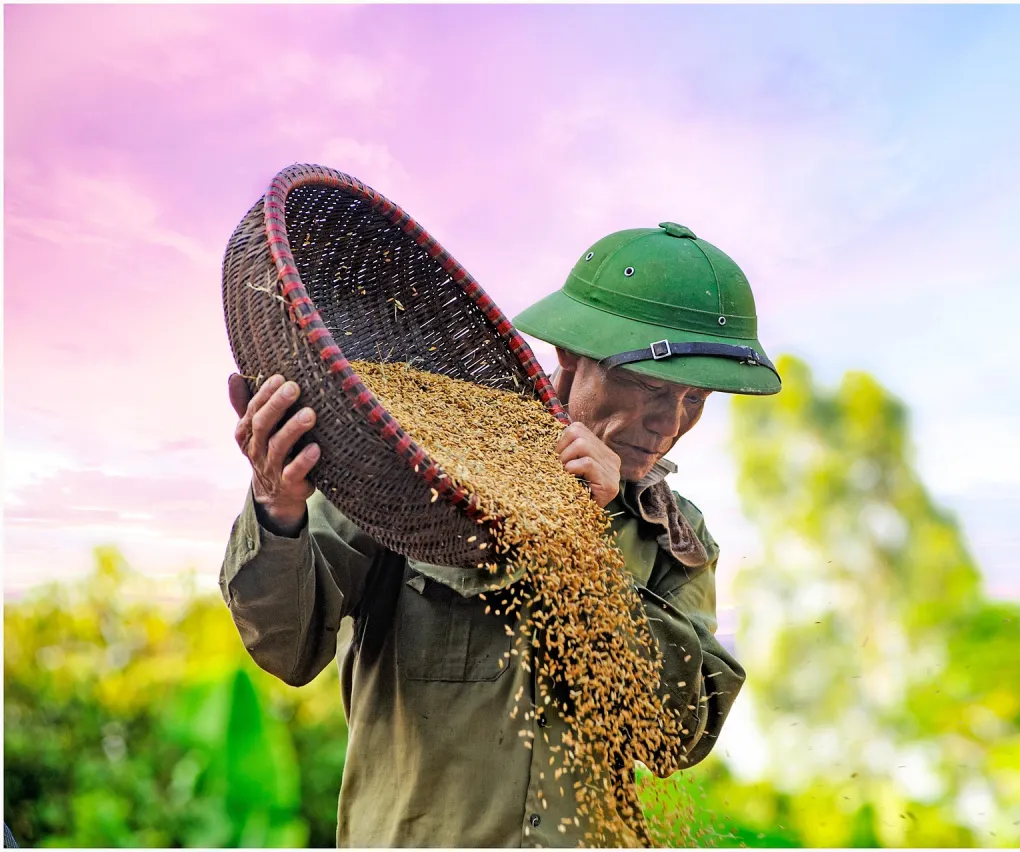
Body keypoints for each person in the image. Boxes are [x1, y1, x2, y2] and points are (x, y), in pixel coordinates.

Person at [220, 221, 780, 847]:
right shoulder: (416, 467)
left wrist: (581, 539)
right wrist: (278, 506)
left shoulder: (673, 532)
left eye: (695, 400)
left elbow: (678, 733)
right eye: (650, 388)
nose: (668, 424)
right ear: (572, 355)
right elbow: (286, 649)